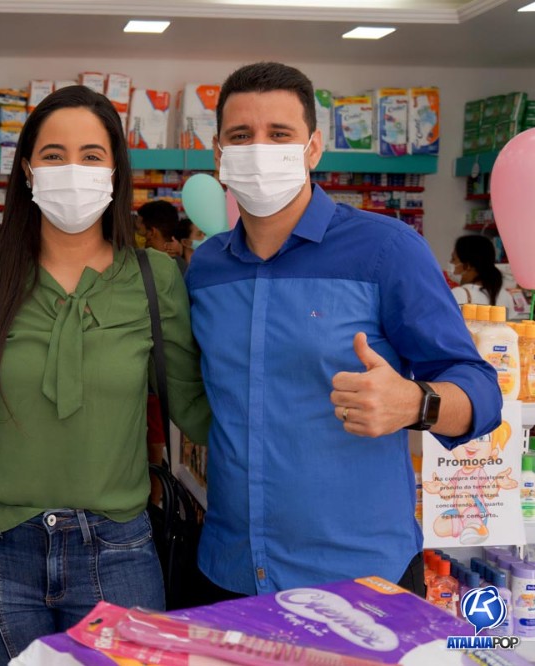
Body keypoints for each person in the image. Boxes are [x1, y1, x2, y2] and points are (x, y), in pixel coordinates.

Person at [186, 61, 502, 603]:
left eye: (279, 134)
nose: (258, 149)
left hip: (361, 577)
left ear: (312, 148)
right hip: (229, 570)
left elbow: (482, 391)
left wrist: (415, 403)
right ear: (219, 155)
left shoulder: (387, 250)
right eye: (241, 136)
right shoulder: (207, 268)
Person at [0, 85, 210, 664]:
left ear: (114, 169)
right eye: (54, 155)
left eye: (91, 155)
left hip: (118, 552)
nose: (72, 170)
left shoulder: (155, 277)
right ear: (27, 169)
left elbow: (194, 407)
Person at [448, 234, 513, 310]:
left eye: (453, 259)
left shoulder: (458, 294)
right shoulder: (505, 296)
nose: (450, 262)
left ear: (468, 266)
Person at [138, 200, 188, 274]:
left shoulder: (144, 268)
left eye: (138, 229)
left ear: (151, 232)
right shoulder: (184, 266)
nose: (135, 234)